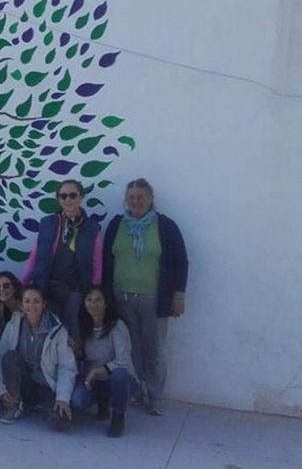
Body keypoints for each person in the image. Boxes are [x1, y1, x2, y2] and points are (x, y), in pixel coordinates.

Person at [103, 178, 188, 416]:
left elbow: (180, 261)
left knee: (155, 349)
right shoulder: (117, 224)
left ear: (151, 199)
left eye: (141, 197)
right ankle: (136, 391)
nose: (136, 201)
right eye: (131, 197)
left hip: (154, 299)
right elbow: (107, 260)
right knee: (131, 348)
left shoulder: (165, 226)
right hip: (122, 298)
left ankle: (155, 396)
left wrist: (178, 295)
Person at [22, 179, 103, 340]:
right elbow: (35, 256)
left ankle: (73, 363)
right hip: (48, 285)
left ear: (81, 197)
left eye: (72, 195)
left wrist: (95, 287)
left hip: (76, 288)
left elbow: (97, 261)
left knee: (73, 328)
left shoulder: (92, 227)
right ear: (58, 199)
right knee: (49, 328)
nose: (68, 200)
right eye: (63, 196)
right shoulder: (48, 224)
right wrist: (23, 283)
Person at [0, 284, 77, 430]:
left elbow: (67, 366)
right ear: (22, 304)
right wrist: (2, 390)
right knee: (9, 357)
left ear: (44, 303)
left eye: (36, 301)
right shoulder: (15, 323)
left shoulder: (57, 329)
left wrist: (62, 398)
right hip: (24, 381)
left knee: (61, 423)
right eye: (27, 301)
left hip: (47, 386)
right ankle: (15, 404)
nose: (31, 305)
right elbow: (0, 356)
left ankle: (37, 405)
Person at [71, 286, 135, 437]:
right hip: (95, 380)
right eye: (89, 300)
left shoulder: (117, 326)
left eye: (98, 300)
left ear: (106, 303)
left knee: (119, 375)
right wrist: (75, 350)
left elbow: (123, 361)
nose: (94, 304)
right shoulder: (84, 326)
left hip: (120, 379)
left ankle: (118, 415)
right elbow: (85, 357)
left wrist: (97, 371)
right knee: (77, 401)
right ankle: (102, 403)